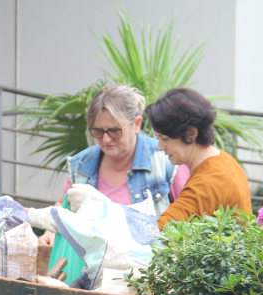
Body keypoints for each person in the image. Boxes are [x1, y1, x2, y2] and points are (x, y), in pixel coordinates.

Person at [37, 83, 189, 245]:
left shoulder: (166, 159)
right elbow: (65, 203)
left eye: (115, 131)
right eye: (98, 131)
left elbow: (192, 214)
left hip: (152, 267)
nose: (106, 139)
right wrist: (50, 232)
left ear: (137, 124)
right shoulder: (82, 165)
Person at [145, 87, 253, 230]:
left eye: (165, 139)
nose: (160, 147)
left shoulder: (210, 179)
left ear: (191, 133)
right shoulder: (225, 160)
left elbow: (162, 232)